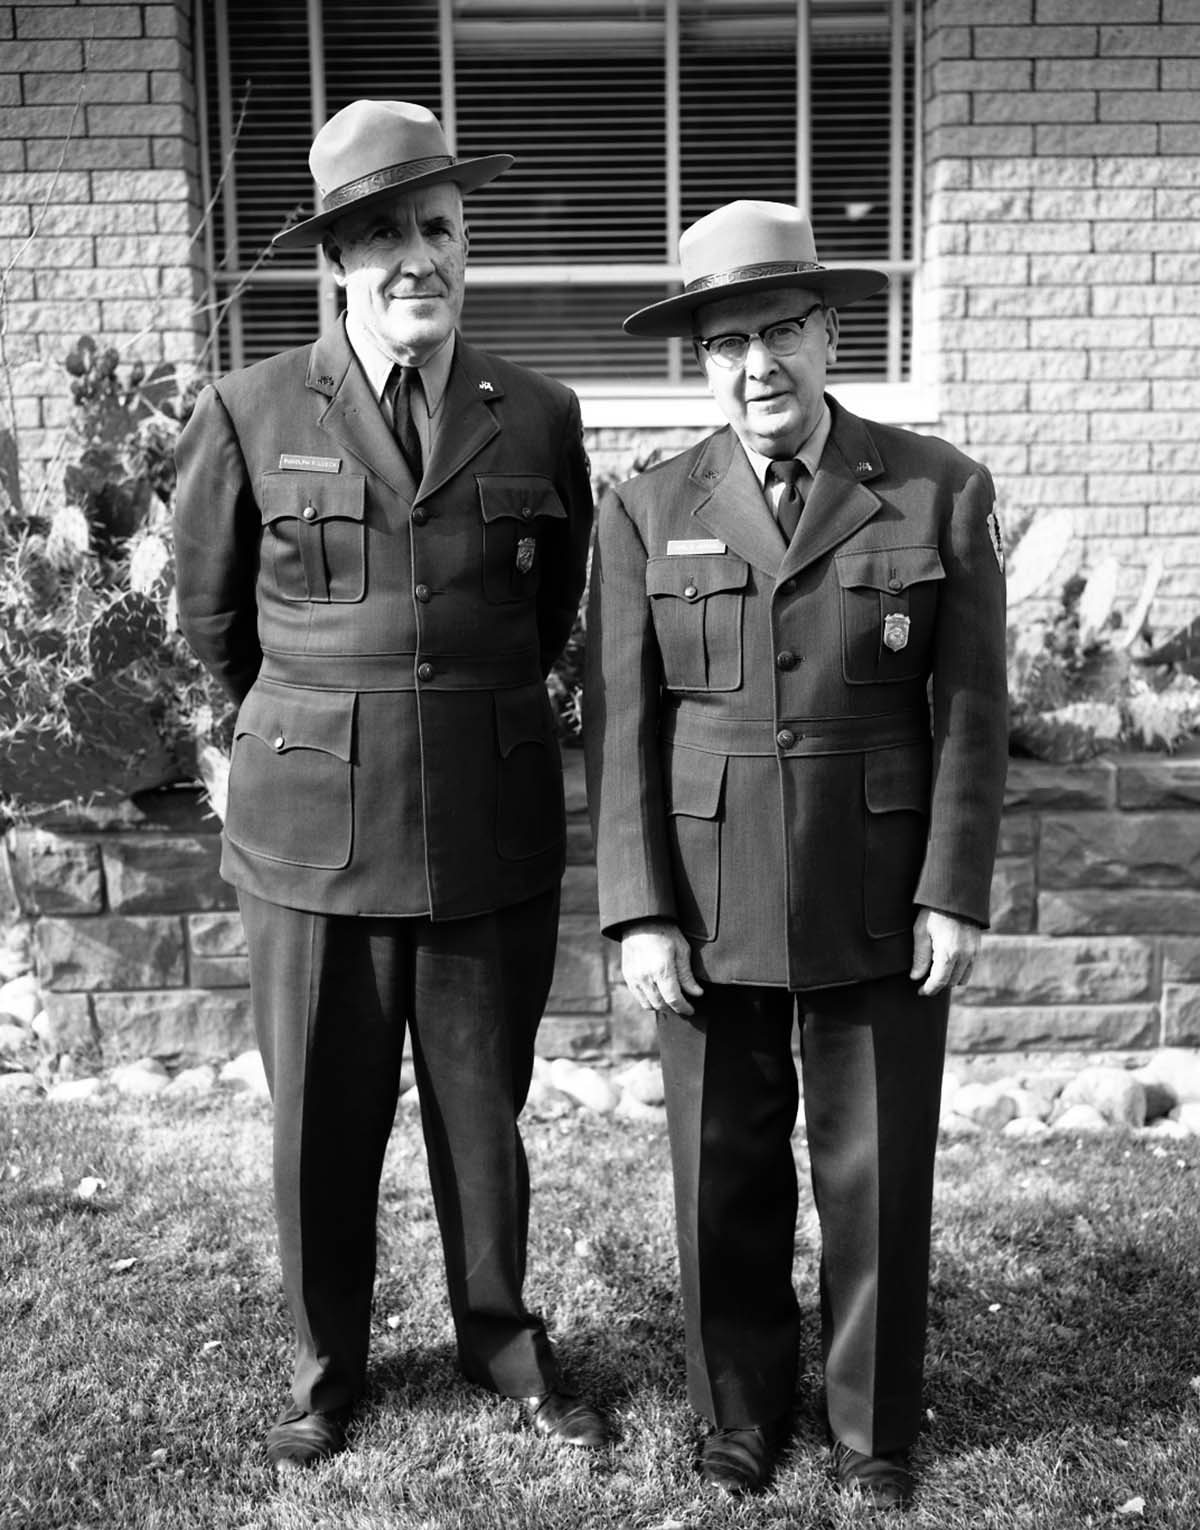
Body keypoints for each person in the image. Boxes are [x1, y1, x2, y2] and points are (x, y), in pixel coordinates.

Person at [173, 99, 604, 1470]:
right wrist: (315, 723)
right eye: (380, 235)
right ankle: (325, 1363)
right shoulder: (247, 409)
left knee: (486, 1111)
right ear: (336, 259)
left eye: (436, 228)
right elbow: (212, 624)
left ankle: (498, 1333)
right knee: (323, 1115)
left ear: (464, 243)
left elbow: (548, 615)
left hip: (487, 818)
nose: (413, 257)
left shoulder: (541, 415)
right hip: (311, 827)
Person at [584, 200, 1007, 1511]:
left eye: (779, 330)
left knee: (876, 1172)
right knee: (724, 1175)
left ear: (830, 333)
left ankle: (875, 1424)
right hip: (707, 905)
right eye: (725, 342)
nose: (756, 363)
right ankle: (739, 1412)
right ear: (700, 362)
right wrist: (639, 909)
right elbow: (620, 727)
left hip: (875, 892)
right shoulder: (649, 507)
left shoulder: (936, 488)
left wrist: (951, 887)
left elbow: (975, 710)